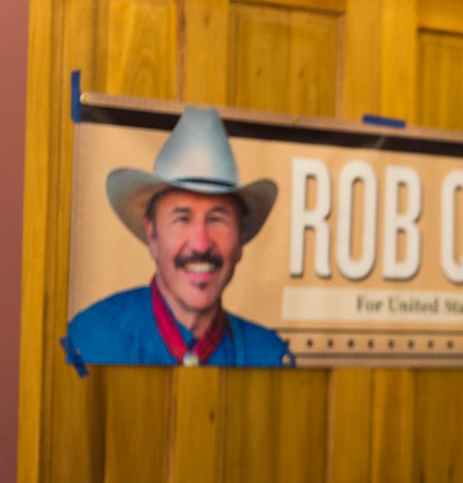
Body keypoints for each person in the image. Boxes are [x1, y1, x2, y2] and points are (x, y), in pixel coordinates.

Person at [63, 106, 294, 367]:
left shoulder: (268, 356)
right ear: (152, 234)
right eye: (182, 219)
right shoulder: (89, 341)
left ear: (240, 239)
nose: (201, 243)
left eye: (218, 219)